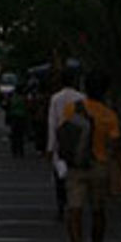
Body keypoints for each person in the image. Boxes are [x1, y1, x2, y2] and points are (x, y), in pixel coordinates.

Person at [62, 68, 121, 242]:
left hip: (76, 165)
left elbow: (65, 134)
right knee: (98, 212)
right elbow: (116, 146)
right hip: (99, 166)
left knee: (74, 209)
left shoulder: (72, 108)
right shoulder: (109, 116)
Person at [46, 66, 84, 221]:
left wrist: (50, 147)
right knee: (75, 175)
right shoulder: (82, 98)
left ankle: (62, 206)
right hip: (79, 140)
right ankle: (73, 205)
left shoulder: (56, 98)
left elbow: (52, 123)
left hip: (61, 142)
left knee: (59, 177)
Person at [7, 88, 29, 158]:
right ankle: (21, 151)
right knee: (20, 135)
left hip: (15, 118)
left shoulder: (13, 99)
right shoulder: (24, 99)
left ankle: (15, 151)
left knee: (14, 135)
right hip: (22, 118)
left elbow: (10, 108)